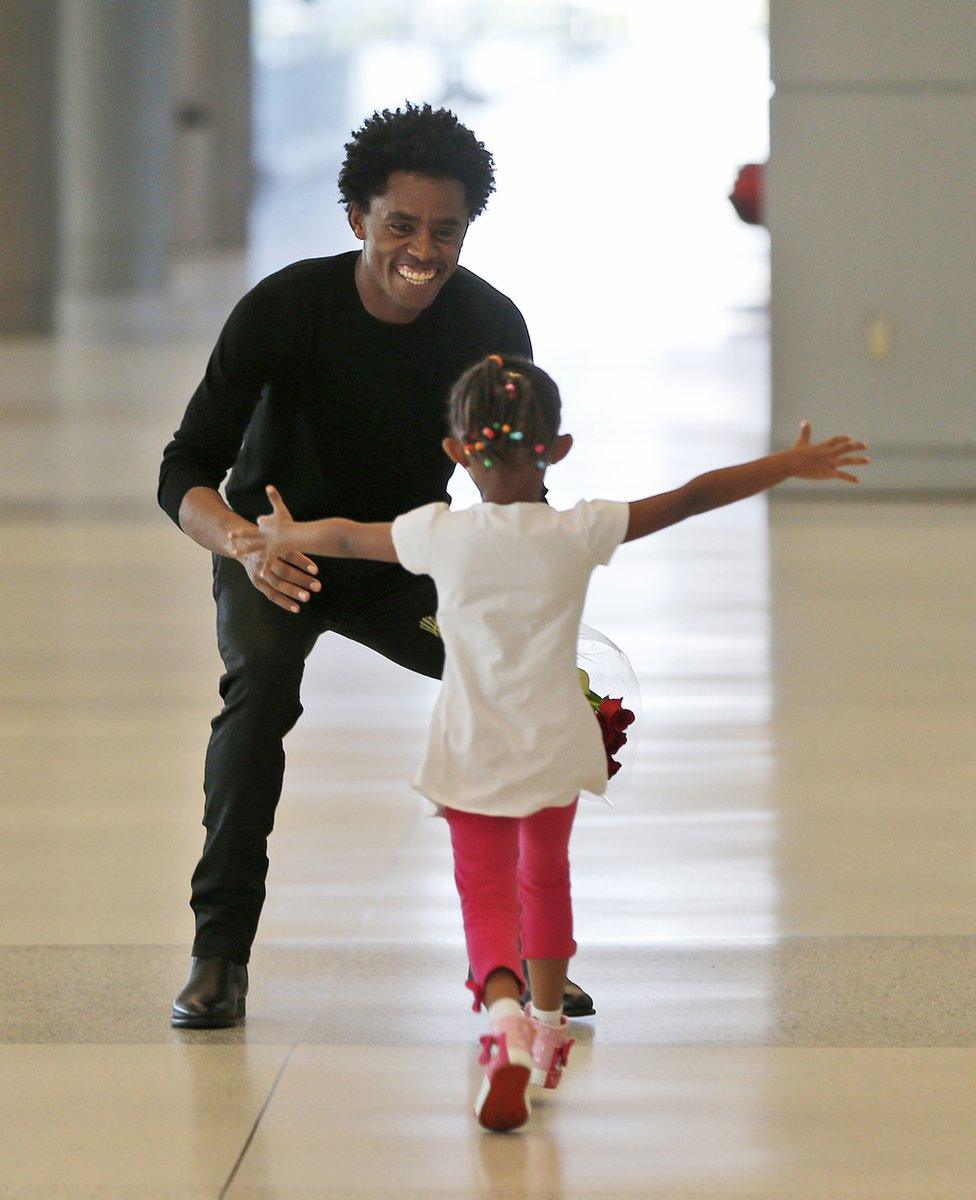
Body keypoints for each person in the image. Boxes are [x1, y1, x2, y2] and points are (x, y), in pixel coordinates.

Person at [227, 354, 871, 1130]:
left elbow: (351, 540)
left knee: (487, 890)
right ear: (556, 450)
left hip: (472, 749)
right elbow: (695, 496)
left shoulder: (437, 535)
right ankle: (551, 1025)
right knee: (546, 880)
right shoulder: (581, 528)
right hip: (557, 743)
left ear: (457, 451)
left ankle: (503, 1024)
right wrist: (790, 463)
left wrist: (283, 533)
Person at [160, 103, 596, 1028]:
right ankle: (218, 956)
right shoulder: (283, 308)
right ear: (357, 219)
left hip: (405, 562)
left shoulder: (488, 321)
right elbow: (184, 469)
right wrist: (242, 543)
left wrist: (532, 611)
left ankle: (530, 951)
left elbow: (508, 481)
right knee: (260, 696)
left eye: (446, 230)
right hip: (280, 554)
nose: (423, 250)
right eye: (400, 225)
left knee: (532, 693)